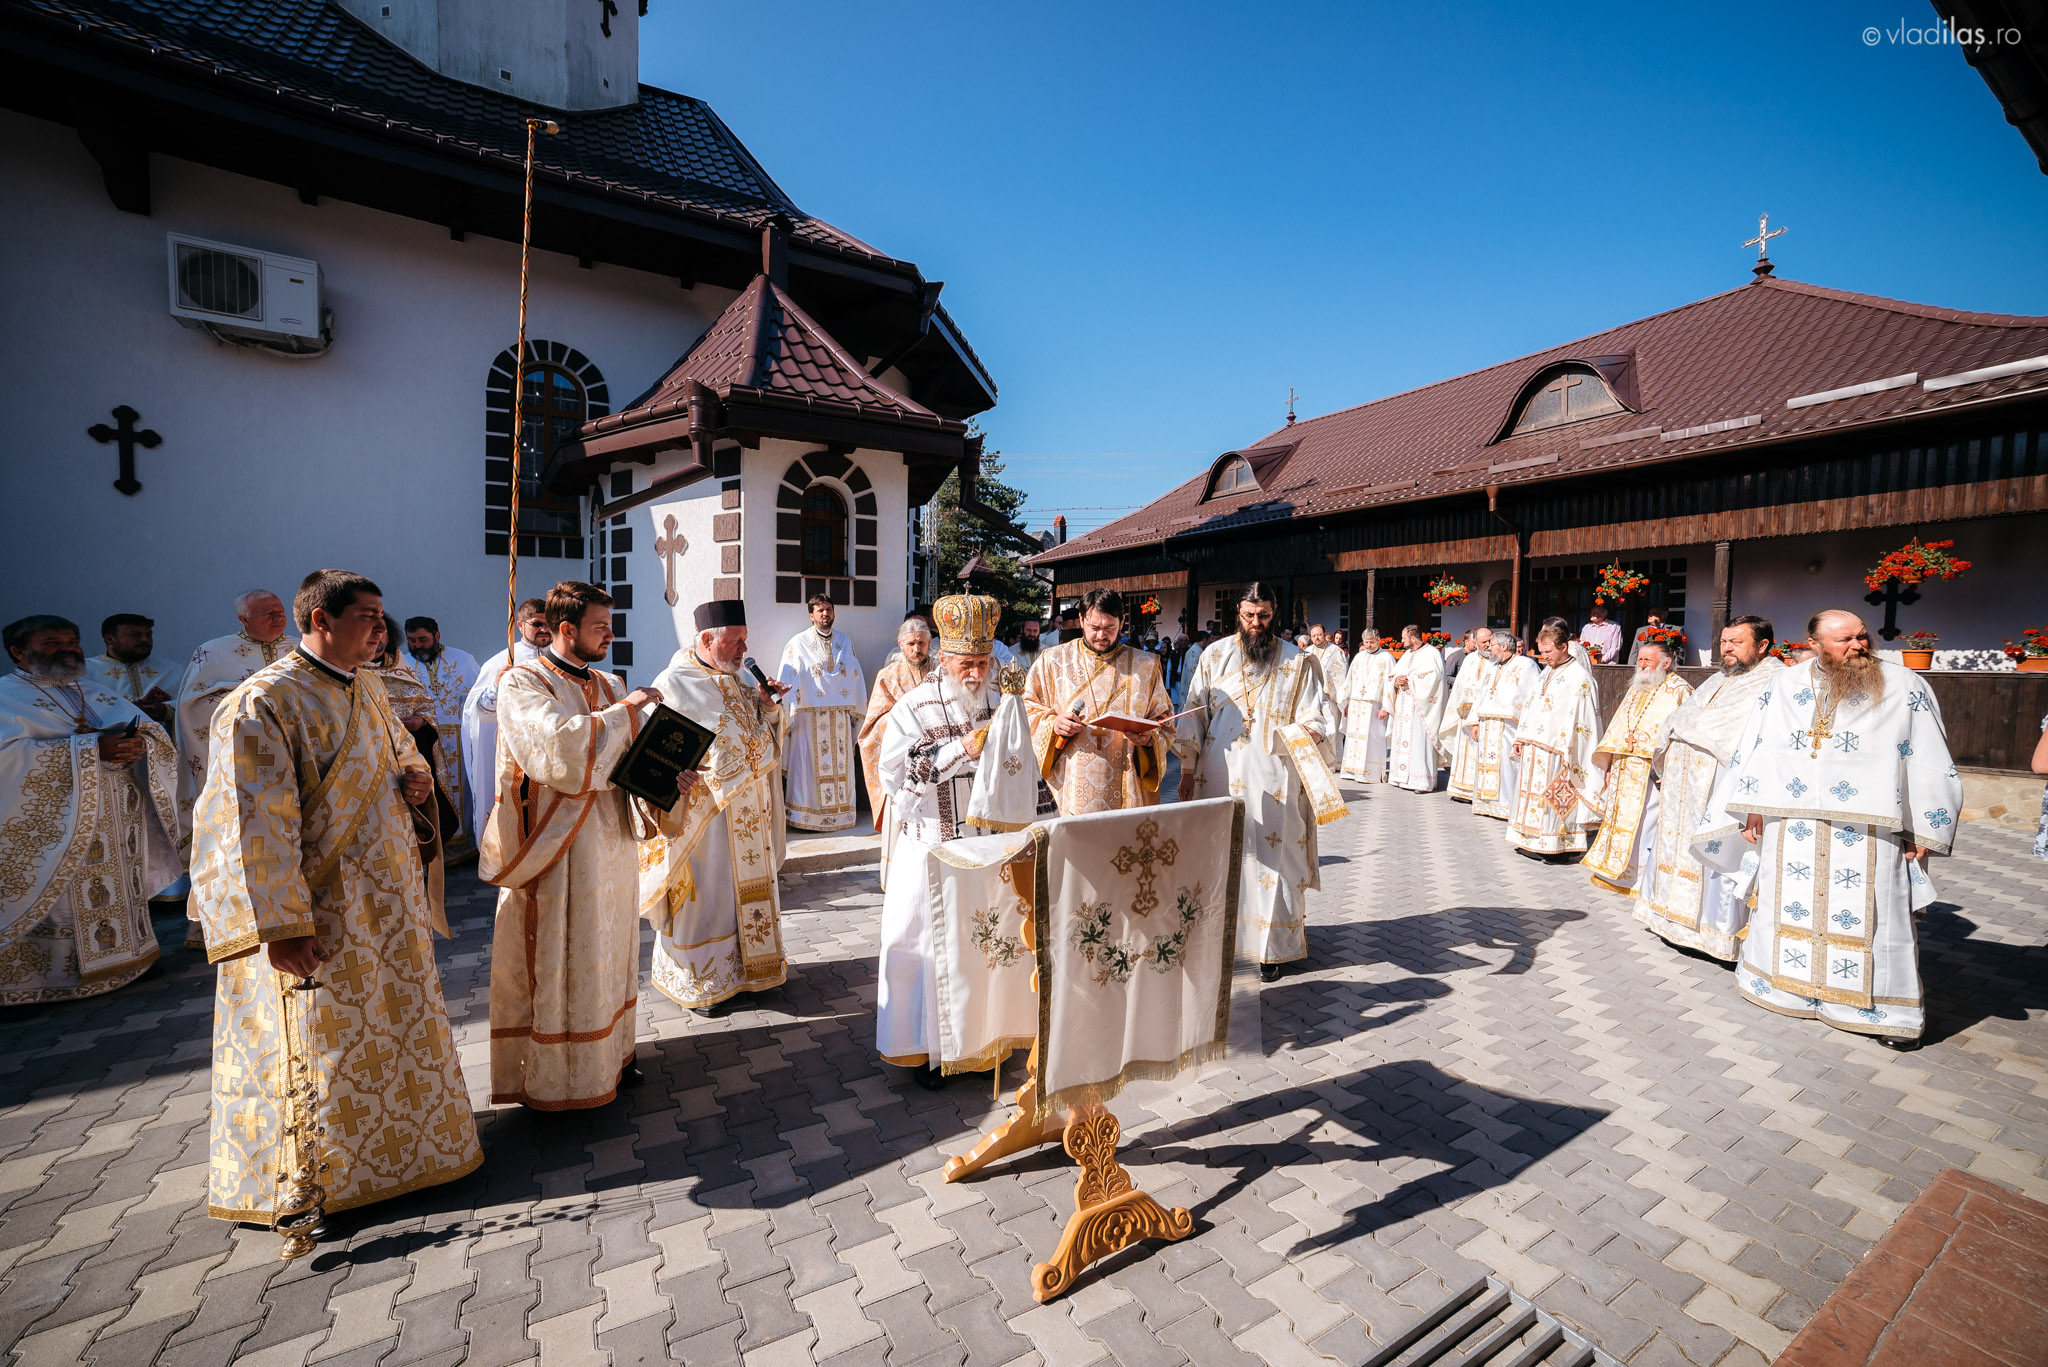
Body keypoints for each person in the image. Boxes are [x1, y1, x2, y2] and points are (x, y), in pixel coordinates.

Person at [192, 570, 481, 1223]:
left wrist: (416, 780)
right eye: (368, 616)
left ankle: (411, 1154)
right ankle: (327, 1177)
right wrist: (282, 925)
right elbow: (250, 822)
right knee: (325, 1038)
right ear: (321, 620)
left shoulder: (369, 686)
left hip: (389, 900)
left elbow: (402, 754)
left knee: (393, 1027)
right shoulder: (262, 702)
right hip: (320, 908)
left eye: (381, 616)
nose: (381, 628)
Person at [1694, 609, 1961, 1046]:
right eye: (1844, 640)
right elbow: (1760, 745)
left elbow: (1929, 756)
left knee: (1878, 915)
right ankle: (1783, 988)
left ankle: (1885, 1013)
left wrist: (1923, 828)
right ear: (1815, 645)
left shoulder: (1903, 685)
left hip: (1871, 829)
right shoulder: (1784, 685)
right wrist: (1751, 807)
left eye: (1861, 636)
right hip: (1791, 822)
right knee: (1786, 905)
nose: (1858, 646)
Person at [480, 581, 678, 1109]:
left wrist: (668, 777)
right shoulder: (523, 681)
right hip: (559, 847)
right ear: (566, 629)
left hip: (613, 843)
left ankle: (612, 1057)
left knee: (609, 950)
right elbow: (558, 749)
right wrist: (628, 711)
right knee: (565, 954)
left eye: (610, 626)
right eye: (600, 627)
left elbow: (631, 756)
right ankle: (563, 1078)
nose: (610, 635)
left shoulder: (610, 684)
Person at [0, 615, 178, 1003]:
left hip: (114, 819)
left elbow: (145, 729)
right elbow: (7, 759)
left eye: (72, 641)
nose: (68, 649)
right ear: (18, 652)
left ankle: (128, 961)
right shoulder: (5, 697)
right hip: (57, 826)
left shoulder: (93, 691)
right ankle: (31, 985)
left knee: (116, 886)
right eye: (52, 643)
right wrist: (90, 750)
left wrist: (140, 743)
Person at [1176, 583, 1339, 981]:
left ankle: (1271, 950)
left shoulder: (1298, 661)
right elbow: (1193, 713)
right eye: (1249, 615)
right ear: (1238, 612)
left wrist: (1311, 730)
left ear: (1274, 613)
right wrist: (1186, 770)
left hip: (1276, 777)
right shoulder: (1215, 655)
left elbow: (1318, 714)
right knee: (1223, 857)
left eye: (1263, 616)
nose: (1255, 623)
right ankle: (1221, 944)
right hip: (1219, 775)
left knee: (1276, 860)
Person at [875, 593, 1005, 1083]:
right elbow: (897, 778)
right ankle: (928, 1052)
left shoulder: (999, 701)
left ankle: (983, 1045)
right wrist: (962, 749)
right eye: (966, 664)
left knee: (982, 945)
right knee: (928, 949)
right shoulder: (913, 706)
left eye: (983, 663)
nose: (975, 673)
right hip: (932, 845)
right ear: (944, 658)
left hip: (986, 845)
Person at [643, 599, 792, 1015]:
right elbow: (655, 755)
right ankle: (702, 981)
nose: (745, 649)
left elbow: (766, 736)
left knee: (743, 895)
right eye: (735, 641)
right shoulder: (674, 683)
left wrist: (769, 706)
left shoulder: (741, 681)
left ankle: (752, 973)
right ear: (707, 639)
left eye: (745, 639)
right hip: (705, 820)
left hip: (752, 813)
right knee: (709, 900)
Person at [1635, 615, 1782, 958]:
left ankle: (1714, 934)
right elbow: (1684, 719)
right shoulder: (1720, 677)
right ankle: (1670, 920)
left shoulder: (1775, 681)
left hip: (1720, 785)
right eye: (1724, 641)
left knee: (1713, 851)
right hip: (1683, 785)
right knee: (1675, 847)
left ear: (1762, 645)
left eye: (1736, 642)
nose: (1726, 648)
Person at [1024, 588, 1175, 814]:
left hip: (1127, 782)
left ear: (1122, 622)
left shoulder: (1145, 666)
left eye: (1109, 628)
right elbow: (1026, 709)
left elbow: (1165, 721)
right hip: (1069, 782)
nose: (1101, 635)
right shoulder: (1053, 661)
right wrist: (1053, 725)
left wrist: (1148, 738)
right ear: (1081, 620)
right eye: (1094, 627)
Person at [174, 589, 294, 845]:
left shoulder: (301, 650)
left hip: (294, 748)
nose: (278, 617)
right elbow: (192, 705)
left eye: (281, 611)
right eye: (268, 613)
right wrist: (251, 706)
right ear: (244, 619)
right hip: (239, 751)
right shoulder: (213, 652)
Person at [1582, 638, 1693, 894]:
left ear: (1666, 662)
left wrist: (1672, 769)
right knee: (1621, 819)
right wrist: (1610, 763)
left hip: (1653, 770)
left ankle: (1642, 879)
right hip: (1624, 767)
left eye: (1647, 660)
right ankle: (1617, 873)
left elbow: (1684, 733)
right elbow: (1618, 726)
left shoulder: (1680, 690)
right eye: (1640, 659)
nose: (1641, 665)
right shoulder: (1636, 687)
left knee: (1647, 824)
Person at [1506, 619, 1602, 857]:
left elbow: (1585, 720)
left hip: (1559, 751)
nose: (1544, 657)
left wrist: (1568, 749)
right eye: (1542, 652)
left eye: (1548, 652)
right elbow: (1531, 705)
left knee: (1555, 799)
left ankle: (1557, 848)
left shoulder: (1579, 678)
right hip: (1534, 746)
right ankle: (1530, 840)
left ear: (1563, 647)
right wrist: (1521, 737)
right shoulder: (1547, 671)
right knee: (1532, 796)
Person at [459, 597, 550, 840]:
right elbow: (479, 712)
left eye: (549, 623)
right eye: (537, 623)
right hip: (514, 755)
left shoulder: (560, 658)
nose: (544, 629)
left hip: (551, 752)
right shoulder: (502, 661)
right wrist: (497, 687)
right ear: (520, 625)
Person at [778, 595, 866, 832]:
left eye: (829, 609)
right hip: (808, 718)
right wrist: (789, 709)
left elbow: (855, 675)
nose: (825, 614)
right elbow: (788, 676)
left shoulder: (845, 642)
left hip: (839, 718)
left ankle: (841, 816)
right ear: (811, 615)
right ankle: (806, 817)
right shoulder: (797, 643)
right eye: (820, 610)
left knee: (841, 765)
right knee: (807, 766)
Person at [404, 617, 480, 855]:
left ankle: (467, 846)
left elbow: (478, 700)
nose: (418, 646)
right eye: (412, 641)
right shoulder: (402, 665)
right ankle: (437, 847)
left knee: (465, 789)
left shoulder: (464, 660)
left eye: (423, 639)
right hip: (426, 742)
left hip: (461, 741)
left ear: (437, 636)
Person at [860, 618, 935, 830]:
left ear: (929, 642)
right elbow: (873, 724)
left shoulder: (941, 672)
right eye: (911, 644)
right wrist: (904, 722)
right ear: (900, 644)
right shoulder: (888, 676)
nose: (917, 649)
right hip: (902, 756)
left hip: (937, 753)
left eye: (921, 643)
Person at [1472, 633, 1541, 821]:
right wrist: (1476, 721)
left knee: (1507, 764)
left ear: (1503, 646)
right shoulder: (1493, 666)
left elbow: (1532, 697)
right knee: (1486, 763)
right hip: (1488, 723)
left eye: (1492, 644)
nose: (1488, 647)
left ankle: (1507, 805)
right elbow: (1482, 694)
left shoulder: (1526, 666)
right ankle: (1486, 804)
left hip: (1509, 725)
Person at [1381, 625, 1447, 793]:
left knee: (1418, 741)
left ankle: (1421, 780)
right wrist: (1397, 680)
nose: (1401, 641)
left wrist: (1410, 679)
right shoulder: (1407, 654)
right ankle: (1400, 777)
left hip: (1421, 709)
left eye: (1404, 638)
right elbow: (1393, 675)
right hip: (1404, 706)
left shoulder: (1431, 653)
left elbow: (1435, 677)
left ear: (1413, 638)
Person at [84, 613, 174, 724]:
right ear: (110, 639)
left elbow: (189, 704)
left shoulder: (172, 670)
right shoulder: (85, 671)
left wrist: (166, 710)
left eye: (148, 634)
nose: (144, 639)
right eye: (135, 635)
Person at [1440, 628, 1496, 801]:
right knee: (1464, 753)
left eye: (1490, 641)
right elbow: (1459, 685)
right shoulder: (1470, 659)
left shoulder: (1496, 661)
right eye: (1483, 642)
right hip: (1465, 714)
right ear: (1475, 642)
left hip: (1484, 715)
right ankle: (1461, 790)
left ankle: (1477, 791)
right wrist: (1458, 706)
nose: (1487, 645)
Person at [1338, 633, 1393, 782]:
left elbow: (1390, 685)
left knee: (1373, 739)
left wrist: (1386, 707)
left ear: (1378, 640)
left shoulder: (1386, 658)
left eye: (1372, 642)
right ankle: (1351, 771)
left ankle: (1370, 773)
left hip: (1374, 706)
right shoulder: (1358, 657)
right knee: (1354, 739)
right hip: (1356, 704)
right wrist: (1346, 702)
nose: (1369, 645)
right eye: (1366, 642)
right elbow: (1349, 680)